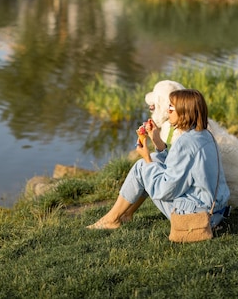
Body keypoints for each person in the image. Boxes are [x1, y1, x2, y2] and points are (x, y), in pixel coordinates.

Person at [87, 89, 230, 230]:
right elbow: (179, 166)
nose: (167, 111)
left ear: (184, 112)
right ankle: (126, 214)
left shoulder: (185, 143)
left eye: (171, 108)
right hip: (216, 212)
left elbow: (164, 189)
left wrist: (147, 160)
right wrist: (157, 142)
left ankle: (111, 219)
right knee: (154, 159)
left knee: (142, 167)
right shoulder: (204, 135)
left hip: (197, 218)